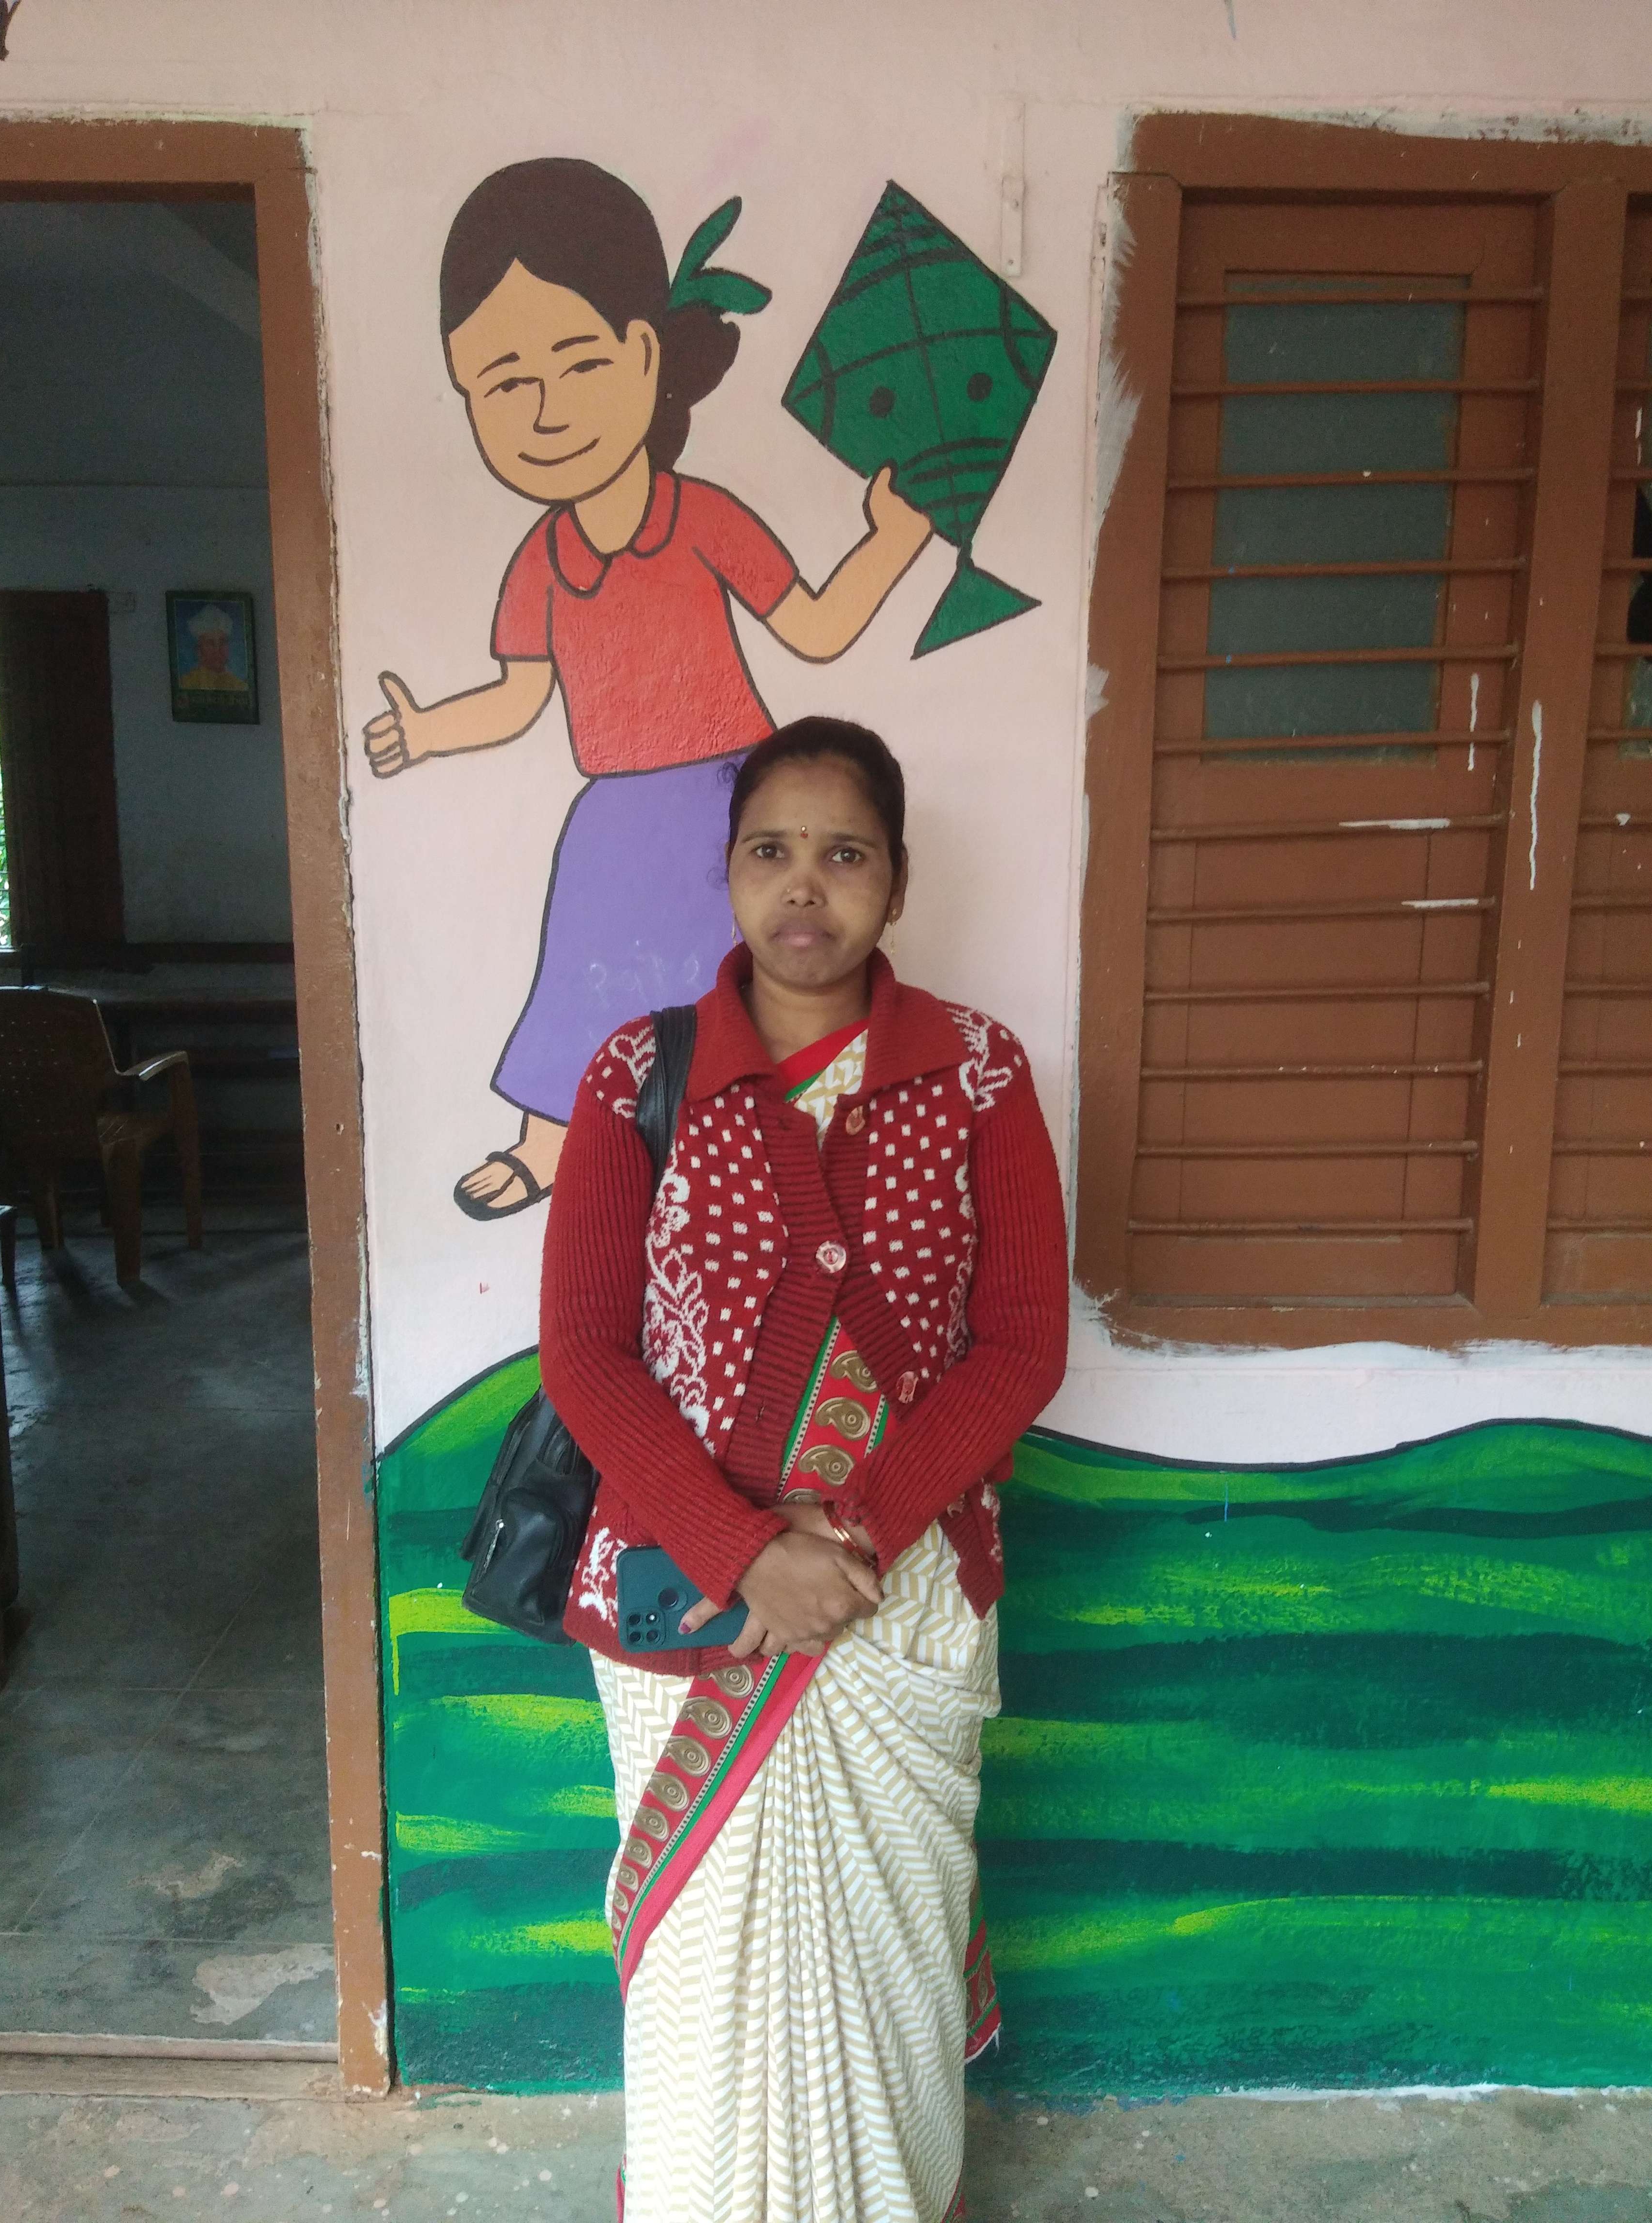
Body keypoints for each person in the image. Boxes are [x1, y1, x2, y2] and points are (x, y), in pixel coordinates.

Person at [539, 716, 1069, 2223]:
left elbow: (1020, 1346)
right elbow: (585, 1352)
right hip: (687, 1602)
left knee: (889, 1956)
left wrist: (862, 1538)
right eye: (771, 850)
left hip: (905, 1604)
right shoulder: (635, 1075)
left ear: (898, 882)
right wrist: (743, 1553)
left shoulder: (976, 1074)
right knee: (708, 1975)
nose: (805, 886)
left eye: (846, 854)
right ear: (728, 873)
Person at [362, 160, 932, 1222]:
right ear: (463, 391)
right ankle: (548, 1138)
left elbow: (813, 626)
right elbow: (518, 699)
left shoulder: (703, 516)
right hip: (614, 814)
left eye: (578, 363)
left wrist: (891, 542)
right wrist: (427, 731)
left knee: (744, 973)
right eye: (502, 384)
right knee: (579, 973)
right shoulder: (541, 560)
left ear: (643, 354)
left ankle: (757, 1134)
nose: (545, 411)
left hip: (733, 804)